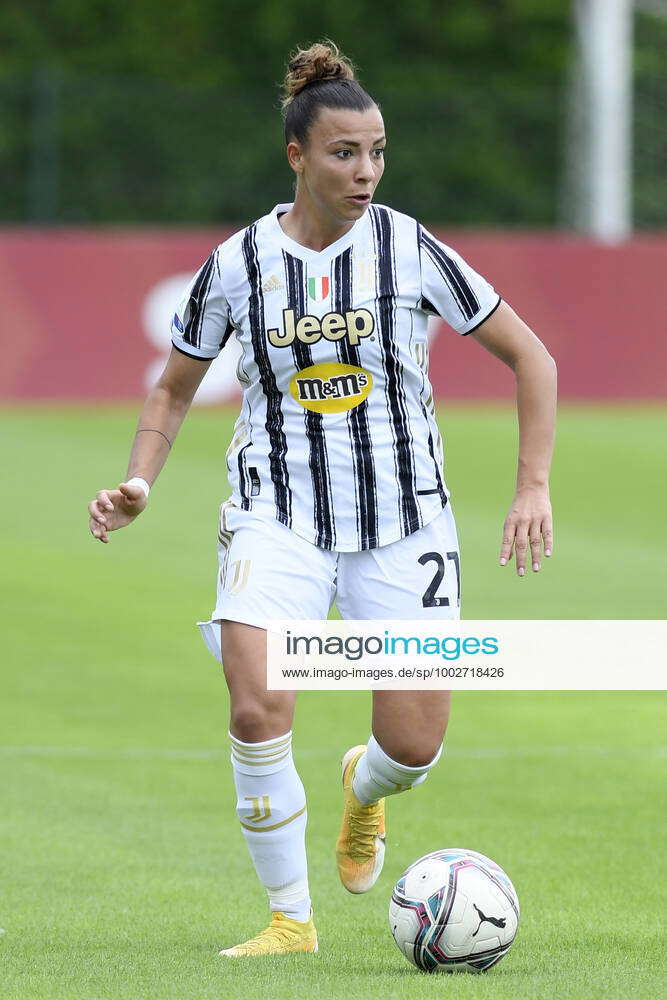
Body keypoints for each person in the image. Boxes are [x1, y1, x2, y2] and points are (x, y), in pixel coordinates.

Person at [88, 41, 556, 958]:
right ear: (297, 155)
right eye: (345, 153)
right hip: (278, 512)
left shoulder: (408, 247)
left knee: (413, 747)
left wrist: (529, 485)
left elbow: (530, 357)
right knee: (258, 703)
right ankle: (288, 921)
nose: (366, 170)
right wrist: (141, 478)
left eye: (377, 151)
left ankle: (365, 789)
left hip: (404, 518)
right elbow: (173, 389)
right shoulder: (236, 264)